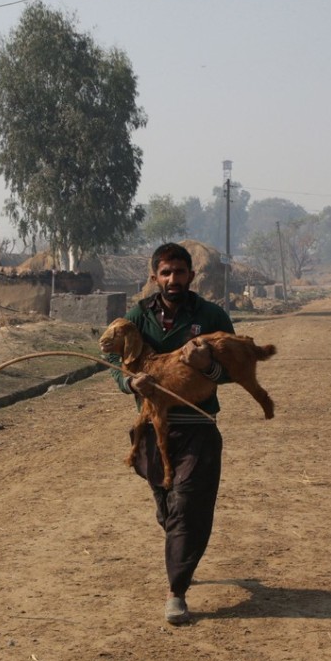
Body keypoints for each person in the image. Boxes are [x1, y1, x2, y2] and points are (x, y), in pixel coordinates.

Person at [107, 242, 234, 625]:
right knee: (167, 507)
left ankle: (176, 592)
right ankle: (175, 533)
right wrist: (131, 385)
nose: (173, 279)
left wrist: (208, 366)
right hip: (150, 429)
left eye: (180, 272)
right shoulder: (136, 317)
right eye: (165, 273)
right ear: (154, 277)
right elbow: (116, 363)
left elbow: (233, 370)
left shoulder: (212, 316)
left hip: (198, 428)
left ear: (191, 276)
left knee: (188, 508)